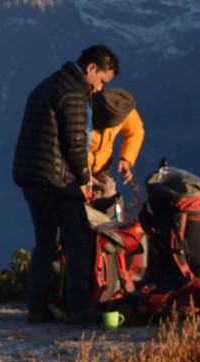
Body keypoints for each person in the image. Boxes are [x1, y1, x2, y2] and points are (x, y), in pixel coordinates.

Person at [12, 44, 119, 325]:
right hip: (56, 181)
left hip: (31, 176)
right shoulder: (73, 93)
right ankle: (79, 308)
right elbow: (74, 145)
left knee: (45, 243)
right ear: (91, 68)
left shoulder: (48, 84)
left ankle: (36, 309)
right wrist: (84, 181)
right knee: (78, 240)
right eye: (100, 82)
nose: (98, 90)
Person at [86, 87, 144, 219]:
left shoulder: (123, 110)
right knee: (79, 213)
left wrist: (126, 159)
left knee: (110, 204)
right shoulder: (81, 112)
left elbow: (135, 131)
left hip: (101, 168)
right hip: (75, 169)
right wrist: (80, 172)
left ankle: (112, 232)